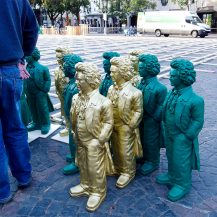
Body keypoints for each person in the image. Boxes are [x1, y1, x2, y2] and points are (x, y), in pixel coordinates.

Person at [0, 0, 38, 204]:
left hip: (10, 66)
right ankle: (24, 176)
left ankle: (2, 191)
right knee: (15, 127)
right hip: (10, 68)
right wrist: (22, 56)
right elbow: (31, 28)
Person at [156, 58, 204, 201]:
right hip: (169, 131)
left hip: (182, 135)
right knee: (171, 155)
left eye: (173, 76)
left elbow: (198, 121)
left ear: (183, 78)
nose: (170, 77)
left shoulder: (196, 100)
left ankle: (182, 184)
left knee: (181, 160)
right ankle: (171, 175)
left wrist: (187, 135)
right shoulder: (171, 92)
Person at [69, 62, 115, 211]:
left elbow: (108, 122)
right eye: (76, 79)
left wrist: (101, 139)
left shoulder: (104, 102)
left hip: (94, 140)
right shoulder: (76, 97)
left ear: (90, 81)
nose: (77, 82)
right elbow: (73, 115)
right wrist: (74, 131)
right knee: (82, 163)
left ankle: (97, 191)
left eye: (80, 80)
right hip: (80, 138)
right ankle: (85, 184)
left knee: (95, 167)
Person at [108, 57, 143, 188]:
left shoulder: (135, 92)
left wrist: (131, 125)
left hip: (125, 125)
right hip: (112, 123)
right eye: (110, 71)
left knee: (125, 150)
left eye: (113, 72)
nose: (111, 74)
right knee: (115, 147)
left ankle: (128, 172)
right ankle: (117, 167)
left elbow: (138, 111)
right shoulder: (111, 88)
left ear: (123, 72)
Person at [137, 54, 167, 175]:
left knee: (151, 141)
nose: (138, 69)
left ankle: (153, 161)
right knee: (141, 137)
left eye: (141, 67)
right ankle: (143, 156)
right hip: (141, 117)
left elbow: (161, 107)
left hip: (151, 120)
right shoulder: (141, 83)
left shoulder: (160, 88)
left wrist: (154, 118)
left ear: (149, 69)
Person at [62, 54, 83, 175]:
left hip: (75, 120)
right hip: (71, 117)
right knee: (72, 140)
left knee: (75, 140)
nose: (63, 69)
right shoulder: (71, 83)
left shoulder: (76, 87)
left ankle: (77, 162)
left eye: (65, 67)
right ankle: (73, 155)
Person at [25, 48, 54, 135]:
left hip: (40, 92)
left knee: (42, 108)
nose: (25, 58)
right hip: (29, 92)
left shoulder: (43, 68)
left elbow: (48, 80)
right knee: (32, 108)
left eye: (27, 56)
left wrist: (44, 90)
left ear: (33, 56)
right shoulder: (26, 67)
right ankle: (36, 123)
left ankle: (46, 124)